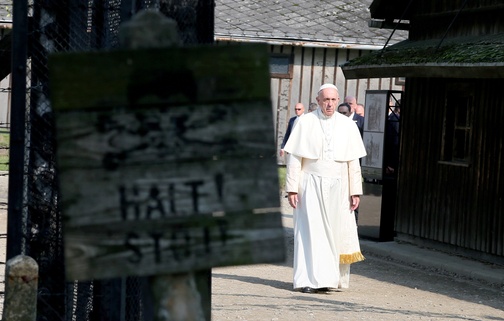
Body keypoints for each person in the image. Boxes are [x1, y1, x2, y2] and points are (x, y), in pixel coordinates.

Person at [284, 84, 366, 293]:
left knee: (334, 233)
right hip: (310, 184)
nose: (329, 104)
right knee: (311, 233)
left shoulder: (348, 126)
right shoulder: (305, 122)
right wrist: (292, 188)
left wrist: (354, 191)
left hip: (339, 187)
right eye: (325, 100)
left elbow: (352, 161)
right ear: (319, 100)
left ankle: (329, 279)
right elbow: (295, 158)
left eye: (333, 100)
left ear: (338, 101)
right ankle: (309, 280)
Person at [384, 99, 401, 176]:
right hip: (390, 163)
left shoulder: (393, 118)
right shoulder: (395, 119)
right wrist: (391, 164)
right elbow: (394, 143)